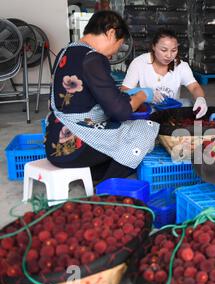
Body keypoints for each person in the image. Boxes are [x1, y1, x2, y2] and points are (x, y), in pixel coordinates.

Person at [45, 10, 159, 183]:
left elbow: (83, 97)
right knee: (145, 129)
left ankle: (92, 175)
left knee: (117, 131)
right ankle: (107, 184)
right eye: (119, 45)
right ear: (111, 32)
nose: (114, 53)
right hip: (75, 147)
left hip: (54, 142)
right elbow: (120, 112)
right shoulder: (94, 58)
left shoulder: (65, 52)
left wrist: (124, 94)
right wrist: (143, 94)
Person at [122, 28, 208, 118]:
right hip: (148, 109)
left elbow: (194, 87)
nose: (169, 55)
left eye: (174, 50)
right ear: (154, 47)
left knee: (188, 104)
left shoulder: (181, 66)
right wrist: (144, 93)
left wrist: (200, 98)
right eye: (164, 50)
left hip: (171, 109)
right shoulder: (139, 63)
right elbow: (124, 91)